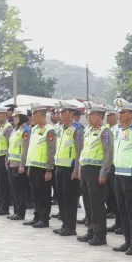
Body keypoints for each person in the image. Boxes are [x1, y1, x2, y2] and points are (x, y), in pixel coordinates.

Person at [111, 98, 132, 256]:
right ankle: (127, 240)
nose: (119, 114)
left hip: (131, 175)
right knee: (122, 210)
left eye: (123, 112)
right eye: (118, 112)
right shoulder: (118, 130)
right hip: (118, 173)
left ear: (131, 114)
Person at [77, 101, 113, 246]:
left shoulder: (105, 131)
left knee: (97, 204)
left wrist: (104, 173)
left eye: (91, 114)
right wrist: (80, 168)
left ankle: (100, 235)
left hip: (96, 170)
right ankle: (91, 230)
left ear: (99, 116)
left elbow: (108, 153)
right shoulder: (89, 130)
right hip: (86, 169)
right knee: (88, 202)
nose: (88, 116)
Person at [53, 101, 84, 236]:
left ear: (71, 113)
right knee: (60, 196)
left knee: (69, 198)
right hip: (59, 166)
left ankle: (71, 227)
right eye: (60, 112)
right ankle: (64, 224)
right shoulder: (59, 128)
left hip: (70, 168)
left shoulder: (77, 129)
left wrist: (76, 169)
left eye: (64, 112)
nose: (61, 114)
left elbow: (79, 151)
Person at [24, 102, 57, 228]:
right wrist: (29, 165)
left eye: (34, 114)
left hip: (43, 168)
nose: (32, 116)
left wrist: (49, 169)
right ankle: (37, 216)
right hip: (33, 166)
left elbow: (51, 150)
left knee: (44, 194)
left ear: (42, 115)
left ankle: (44, 218)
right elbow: (31, 149)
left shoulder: (49, 130)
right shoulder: (34, 129)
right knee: (35, 193)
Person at [7, 109, 31, 220]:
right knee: (14, 189)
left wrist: (22, 164)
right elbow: (11, 146)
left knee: (20, 190)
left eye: (17, 117)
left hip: (19, 164)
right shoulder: (15, 130)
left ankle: (20, 213)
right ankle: (16, 211)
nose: (14, 119)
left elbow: (25, 149)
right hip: (12, 163)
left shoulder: (25, 130)